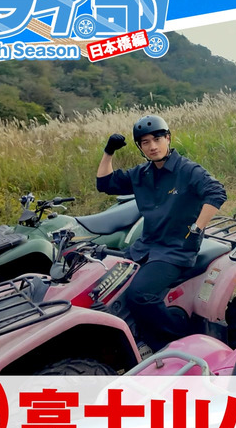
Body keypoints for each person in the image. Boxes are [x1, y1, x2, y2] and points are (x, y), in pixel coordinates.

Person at [97, 114, 227, 353]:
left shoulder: (187, 170)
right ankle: (136, 337)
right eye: (145, 142)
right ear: (140, 147)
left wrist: (197, 227)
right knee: (107, 281)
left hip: (175, 249)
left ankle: (180, 339)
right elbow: (104, 184)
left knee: (140, 294)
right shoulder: (142, 173)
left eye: (157, 139)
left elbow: (216, 192)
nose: (152, 146)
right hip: (146, 245)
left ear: (168, 138)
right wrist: (109, 151)